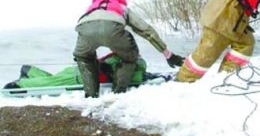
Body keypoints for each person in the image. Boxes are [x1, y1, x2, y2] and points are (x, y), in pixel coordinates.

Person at [73, 0, 184, 97]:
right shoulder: (122, 8)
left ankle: (91, 95)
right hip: (114, 29)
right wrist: (168, 54)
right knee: (129, 57)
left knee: (84, 58)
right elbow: (146, 30)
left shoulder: (92, 8)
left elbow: (90, 30)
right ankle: (118, 92)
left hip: (85, 28)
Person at [2, 53, 164, 89]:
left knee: (53, 78)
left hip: (81, 71)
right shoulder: (132, 65)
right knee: (51, 82)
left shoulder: (124, 58)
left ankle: (29, 71)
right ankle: (20, 83)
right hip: (81, 76)